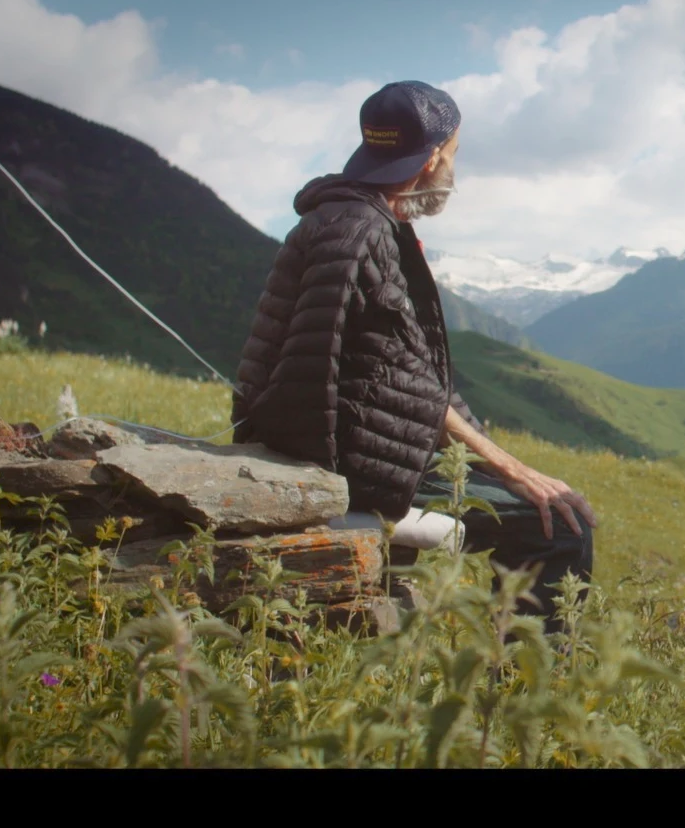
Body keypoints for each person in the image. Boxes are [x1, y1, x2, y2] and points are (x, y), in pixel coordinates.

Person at [230, 80, 597, 633]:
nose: (453, 166)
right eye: (453, 153)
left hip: (356, 448)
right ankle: (525, 698)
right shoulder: (362, 233)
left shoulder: (349, 220)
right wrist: (509, 468)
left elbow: (412, 373)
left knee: (543, 503)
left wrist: (498, 463)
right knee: (560, 528)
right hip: (351, 464)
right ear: (431, 159)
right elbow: (392, 378)